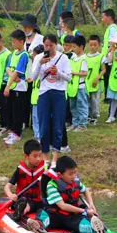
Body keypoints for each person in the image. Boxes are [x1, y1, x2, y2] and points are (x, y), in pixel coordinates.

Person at [26, 156, 105, 233]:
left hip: (71, 217)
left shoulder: (75, 182)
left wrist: (91, 204)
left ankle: (95, 230)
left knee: (81, 223)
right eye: (71, 174)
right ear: (60, 175)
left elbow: (86, 190)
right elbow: (63, 206)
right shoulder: (52, 185)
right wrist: (84, 211)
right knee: (43, 214)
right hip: (55, 216)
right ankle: (38, 226)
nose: (74, 176)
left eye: (75, 172)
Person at [30, 34, 71, 167]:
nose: (48, 48)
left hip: (59, 93)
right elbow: (33, 77)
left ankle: (55, 157)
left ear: (55, 45)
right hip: (44, 93)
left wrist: (58, 72)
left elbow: (69, 78)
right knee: (44, 125)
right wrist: (39, 64)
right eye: (46, 45)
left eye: (51, 46)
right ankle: (45, 156)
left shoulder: (63, 57)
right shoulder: (38, 57)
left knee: (58, 124)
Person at [4, 139, 47, 221]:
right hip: (24, 200)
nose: (38, 159)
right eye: (35, 156)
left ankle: (39, 219)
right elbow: (7, 186)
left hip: (39, 202)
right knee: (26, 205)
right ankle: (20, 211)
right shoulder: (20, 169)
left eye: (40, 155)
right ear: (26, 156)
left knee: (43, 206)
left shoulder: (45, 169)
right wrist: (10, 195)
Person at [3, 29, 31, 146]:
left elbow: (18, 72)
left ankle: (17, 133)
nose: (12, 44)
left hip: (20, 87)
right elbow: (8, 69)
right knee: (12, 109)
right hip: (14, 83)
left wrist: (8, 86)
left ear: (21, 41)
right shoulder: (13, 53)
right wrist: (13, 77)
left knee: (18, 111)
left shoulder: (24, 55)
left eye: (14, 41)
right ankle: (13, 131)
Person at [68, 35, 89, 131]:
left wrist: (73, 73)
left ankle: (82, 124)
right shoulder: (73, 58)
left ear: (81, 47)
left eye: (74, 47)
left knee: (81, 106)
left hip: (81, 86)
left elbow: (84, 73)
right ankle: (75, 123)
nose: (73, 49)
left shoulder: (84, 58)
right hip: (73, 86)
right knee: (73, 106)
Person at [85, 35, 106, 126]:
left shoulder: (101, 57)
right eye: (91, 45)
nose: (92, 47)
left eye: (95, 45)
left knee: (94, 99)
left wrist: (97, 78)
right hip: (86, 81)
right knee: (86, 99)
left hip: (96, 82)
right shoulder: (84, 57)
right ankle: (88, 116)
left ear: (99, 45)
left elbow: (104, 69)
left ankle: (94, 116)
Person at [101, 9, 117, 101]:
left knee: (108, 76)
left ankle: (109, 96)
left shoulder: (112, 28)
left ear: (109, 17)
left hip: (109, 57)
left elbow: (113, 43)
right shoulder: (110, 28)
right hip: (107, 56)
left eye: (103, 16)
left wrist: (106, 54)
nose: (102, 19)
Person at [28, 45, 44, 140]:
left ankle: (40, 135)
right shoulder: (34, 69)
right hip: (34, 97)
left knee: (40, 117)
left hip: (41, 96)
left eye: (34, 55)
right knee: (35, 117)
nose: (32, 57)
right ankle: (37, 134)